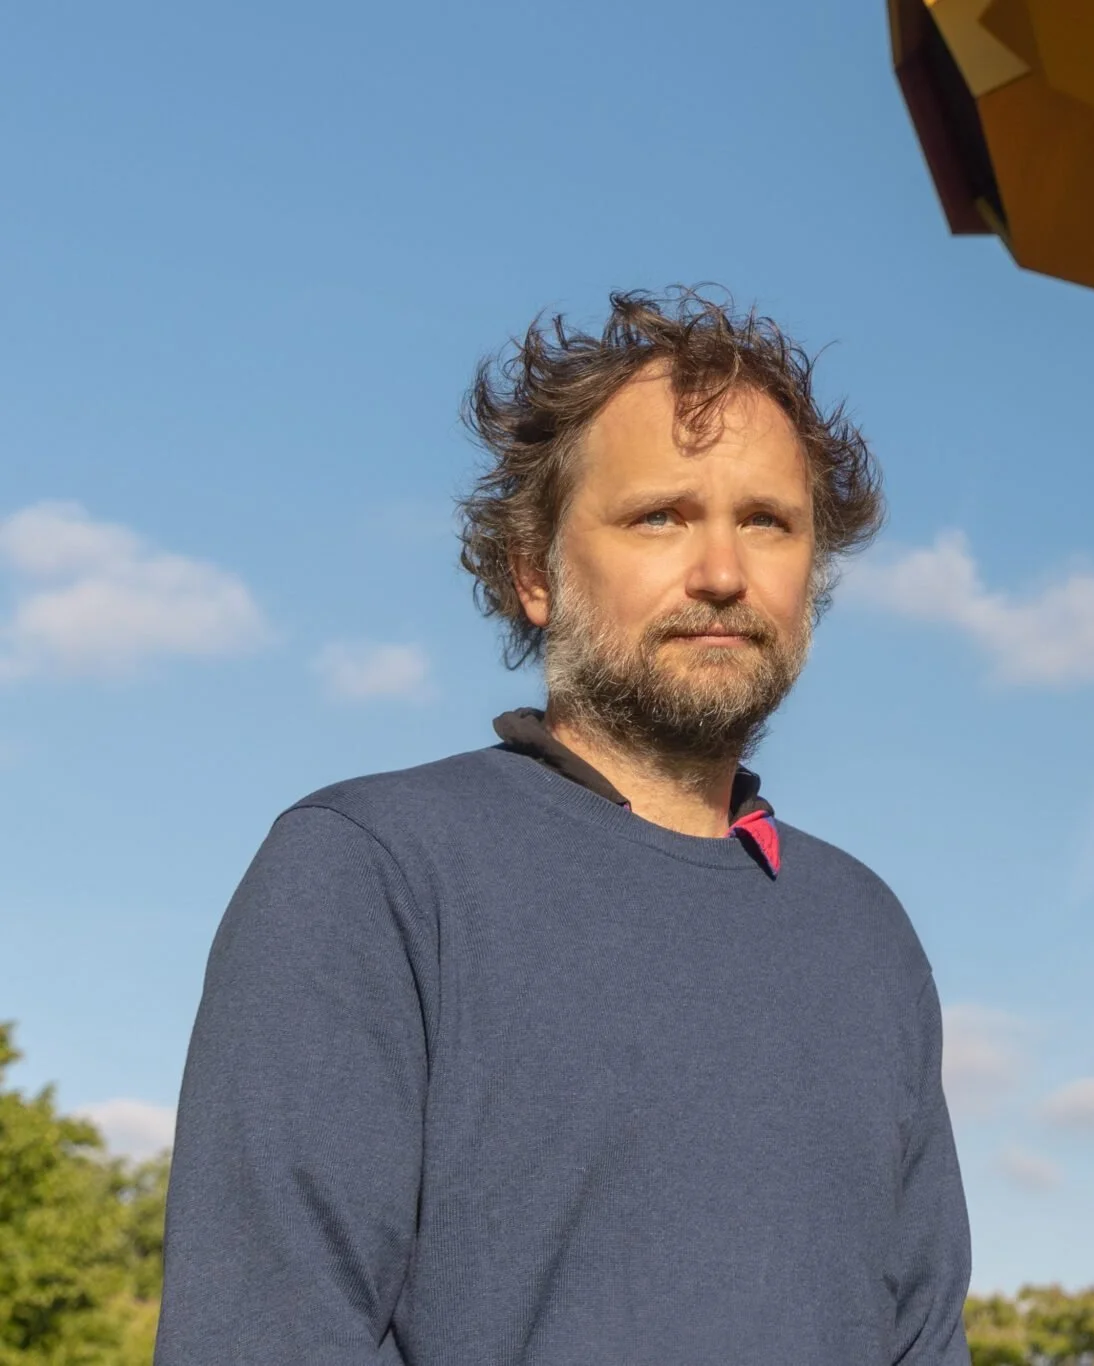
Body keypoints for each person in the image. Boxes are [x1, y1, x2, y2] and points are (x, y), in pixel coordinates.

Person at [153, 288, 971, 1365]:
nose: (722, 573)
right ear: (534, 571)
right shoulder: (372, 869)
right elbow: (261, 1336)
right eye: (660, 516)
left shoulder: (864, 929)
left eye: (766, 521)